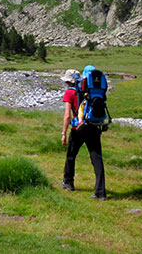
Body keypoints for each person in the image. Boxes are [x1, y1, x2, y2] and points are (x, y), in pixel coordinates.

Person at [59, 67, 107, 200]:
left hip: (78, 129)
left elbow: (67, 116)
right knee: (97, 158)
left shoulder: (70, 93)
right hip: (94, 126)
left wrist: (63, 133)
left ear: (69, 82)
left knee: (71, 155)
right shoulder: (91, 92)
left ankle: (68, 182)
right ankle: (100, 192)